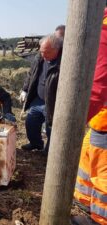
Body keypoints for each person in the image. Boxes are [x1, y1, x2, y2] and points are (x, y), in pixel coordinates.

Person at [72, 5, 107, 225]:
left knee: (103, 176)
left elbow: (97, 86)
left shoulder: (104, 30)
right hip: (99, 120)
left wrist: (73, 125)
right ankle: (85, 205)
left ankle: (99, 219)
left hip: (104, 122)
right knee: (86, 157)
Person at [19, 34, 63, 153]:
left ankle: (49, 152)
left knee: (51, 129)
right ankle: (36, 143)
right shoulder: (40, 57)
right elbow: (31, 74)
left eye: (47, 52)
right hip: (38, 99)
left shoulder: (64, 62)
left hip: (53, 101)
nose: (43, 55)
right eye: (42, 52)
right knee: (31, 122)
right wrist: (25, 89)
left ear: (56, 49)